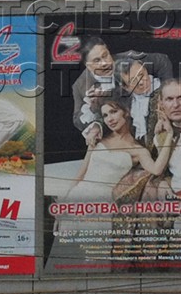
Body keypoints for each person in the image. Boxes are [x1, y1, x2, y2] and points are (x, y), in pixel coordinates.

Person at [67, 96, 175, 238]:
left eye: (114, 112)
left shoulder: (137, 150)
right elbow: (82, 172)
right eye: (105, 115)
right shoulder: (98, 137)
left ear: (127, 112)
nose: (109, 119)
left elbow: (156, 169)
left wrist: (169, 135)